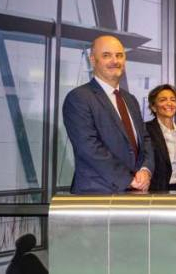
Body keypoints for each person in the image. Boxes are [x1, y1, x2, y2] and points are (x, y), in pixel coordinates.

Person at [62, 35, 154, 194]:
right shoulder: (79, 98)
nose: (115, 61)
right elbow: (89, 147)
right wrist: (127, 179)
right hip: (96, 194)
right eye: (106, 55)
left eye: (119, 55)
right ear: (93, 60)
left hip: (134, 192)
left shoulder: (130, 100)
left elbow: (144, 140)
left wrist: (146, 170)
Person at [144, 84, 176, 192]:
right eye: (163, 100)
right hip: (153, 191)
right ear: (153, 107)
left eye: (173, 100)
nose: (169, 103)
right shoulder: (145, 130)